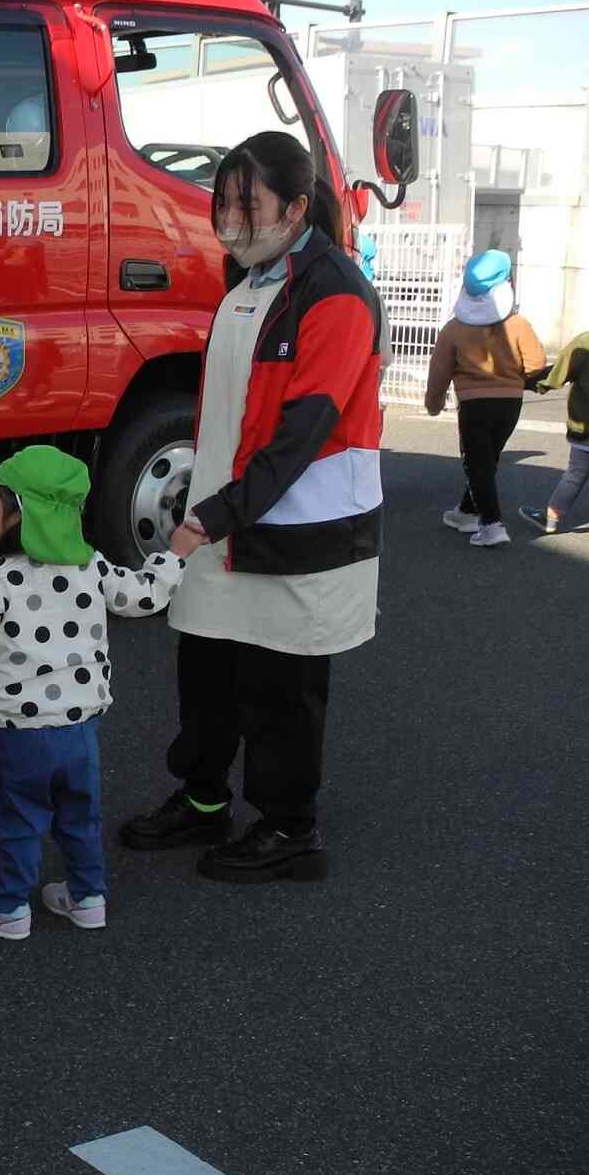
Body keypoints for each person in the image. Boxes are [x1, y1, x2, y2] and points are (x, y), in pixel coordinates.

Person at [119, 131, 384, 884]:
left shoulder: (333, 292)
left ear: (296, 206)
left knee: (281, 691)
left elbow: (301, 431)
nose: (230, 218)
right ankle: (202, 799)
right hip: (226, 519)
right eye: (223, 202)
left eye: (248, 203)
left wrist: (213, 516)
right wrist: (207, 508)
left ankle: (288, 827)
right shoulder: (248, 280)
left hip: (297, 527)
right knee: (205, 673)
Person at [0, 448, 186, 938]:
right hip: (79, 730)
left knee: (22, 819)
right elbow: (144, 595)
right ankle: (88, 898)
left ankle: (9, 909)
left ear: (21, 516)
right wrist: (175, 556)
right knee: (80, 816)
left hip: (21, 733)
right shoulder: (90, 566)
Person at [426, 249, 547, 548]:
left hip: (473, 404)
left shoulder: (453, 329)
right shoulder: (518, 324)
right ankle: (466, 511)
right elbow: (535, 364)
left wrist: (434, 404)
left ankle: (492, 525)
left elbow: (439, 374)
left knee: (477, 463)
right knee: (487, 459)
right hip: (510, 403)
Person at [521, 329, 589, 534]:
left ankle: (550, 519)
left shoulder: (587, 342)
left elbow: (556, 375)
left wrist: (531, 383)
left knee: (576, 474)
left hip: (587, 426)